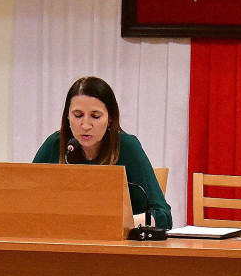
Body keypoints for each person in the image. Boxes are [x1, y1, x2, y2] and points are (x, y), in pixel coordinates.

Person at [32, 76, 172, 229]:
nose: (85, 125)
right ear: (67, 116)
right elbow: (25, 203)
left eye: (95, 116)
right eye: (78, 115)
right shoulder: (55, 145)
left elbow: (163, 216)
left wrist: (120, 223)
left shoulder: (126, 147)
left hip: (117, 246)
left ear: (110, 118)